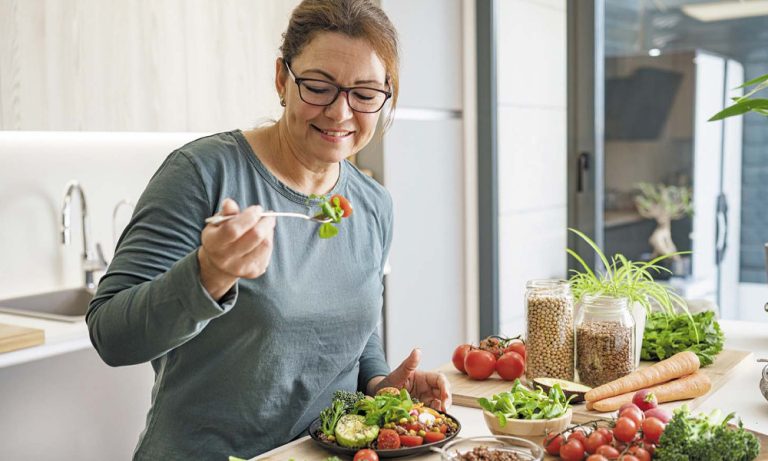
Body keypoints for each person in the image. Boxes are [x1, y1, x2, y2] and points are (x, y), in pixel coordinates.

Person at [86, 0, 451, 459]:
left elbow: (357, 330)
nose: (340, 113)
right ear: (282, 79)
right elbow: (110, 337)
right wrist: (208, 275)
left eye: (364, 94)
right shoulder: (204, 174)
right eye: (318, 87)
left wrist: (378, 382)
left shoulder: (373, 204)